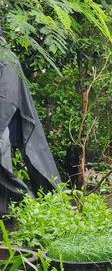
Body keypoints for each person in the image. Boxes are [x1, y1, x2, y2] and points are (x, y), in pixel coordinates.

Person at [0, 24, 60, 216]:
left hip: (2, 127)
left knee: (3, 174)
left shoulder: (6, 58)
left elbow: (6, 100)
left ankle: (30, 207)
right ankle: (8, 213)